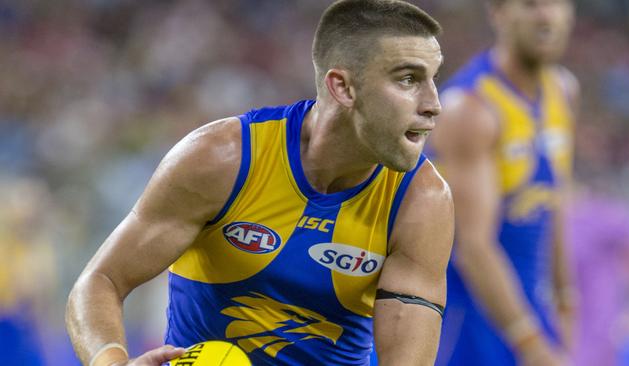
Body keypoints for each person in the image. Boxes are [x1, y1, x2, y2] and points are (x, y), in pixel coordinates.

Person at [65, 1, 454, 365]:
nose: (433, 103)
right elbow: (100, 280)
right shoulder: (221, 160)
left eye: (433, 80)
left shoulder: (421, 201)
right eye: (408, 79)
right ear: (343, 87)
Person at [428, 0, 578, 365]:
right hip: (470, 316)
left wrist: (564, 299)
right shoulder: (471, 109)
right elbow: (473, 248)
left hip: (527, 308)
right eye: (529, 4)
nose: (545, 15)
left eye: (555, 4)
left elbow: (553, 202)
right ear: (497, 13)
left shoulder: (563, 90)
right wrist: (531, 344)